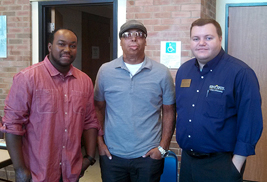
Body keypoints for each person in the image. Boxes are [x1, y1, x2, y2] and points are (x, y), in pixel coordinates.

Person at [0, 29, 100, 182]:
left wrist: (89, 157)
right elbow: (13, 125)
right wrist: (20, 169)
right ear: (49, 46)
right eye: (61, 44)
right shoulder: (27, 78)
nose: (67, 50)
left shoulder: (84, 81)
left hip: (70, 172)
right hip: (37, 172)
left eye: (72, 46)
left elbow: (90, 121)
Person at [175, 18, 263, 182]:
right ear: (190, 41)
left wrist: (235, 165)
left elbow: (250, 122)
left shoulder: (241, 73)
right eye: (196, 38)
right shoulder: (183, 71)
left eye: (208, 38)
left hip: (221, 165)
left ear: (220, 39)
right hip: (188, 162)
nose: (201, 43)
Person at [94, 20, 176, 182]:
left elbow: (169, 111)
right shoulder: (106, 71)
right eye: (127, 35)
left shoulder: (161, 73)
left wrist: (163, 147)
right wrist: (100, 144)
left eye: (139, 35)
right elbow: (98, 109)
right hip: (113, 155)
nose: (133, 39)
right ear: (121, 41)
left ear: (145, 41)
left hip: (148, 156)